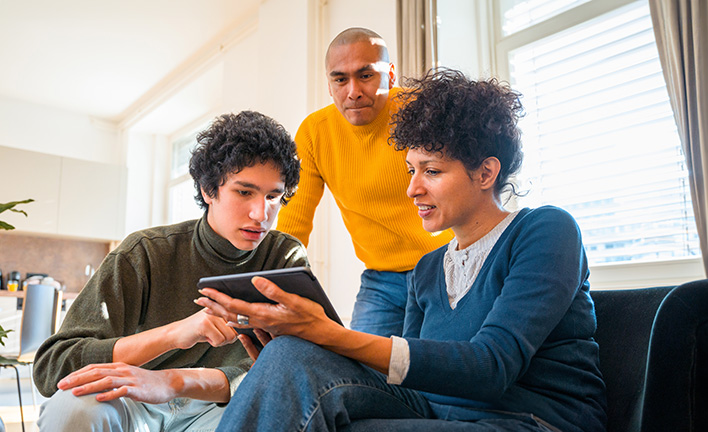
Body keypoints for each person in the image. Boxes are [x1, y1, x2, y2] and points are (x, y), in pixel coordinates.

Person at [198, 69, 608, 432]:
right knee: (290, 356)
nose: (412, 188)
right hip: (436, 416)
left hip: (530, 422)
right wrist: (302, 350)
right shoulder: (428, 269)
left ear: (486, 172)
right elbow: (408, 376)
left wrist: (331, 335)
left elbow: (491, 367)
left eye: (431, 171)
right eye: (411, 170)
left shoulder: (545, 230)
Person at [32, 111, 309, 431]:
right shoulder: (143, 253)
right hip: (133, 398)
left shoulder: (284, 257)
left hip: (219, 406)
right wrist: (176, 334)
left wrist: (174, 381)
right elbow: (52, 368)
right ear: (208, 190)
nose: (261, 213)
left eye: (273, 196)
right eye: (244, 192)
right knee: (75, 408)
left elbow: (291, 365)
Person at [276, 27, 453, 337]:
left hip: (446, 264)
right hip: (381, 279)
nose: (353, 91)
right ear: (329, 85)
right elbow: (294, 221)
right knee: (362, 377)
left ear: (391, 75)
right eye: (340, 79)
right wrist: (274, 286)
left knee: (438, 371)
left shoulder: (421, 111)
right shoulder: (315, 133)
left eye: (366, 75)